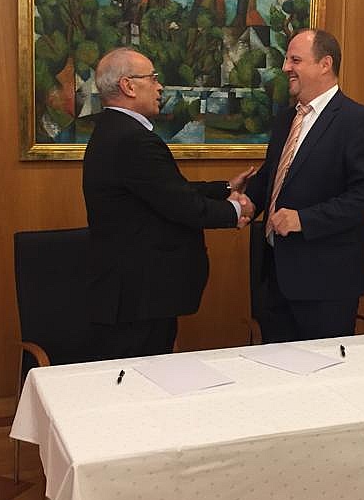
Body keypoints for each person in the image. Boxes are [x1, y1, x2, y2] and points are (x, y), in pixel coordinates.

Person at [83, 46, 255, 358]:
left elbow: (164, 189)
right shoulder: (132, 139)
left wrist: (225, 188)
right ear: (128, 86)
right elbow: (180, 204)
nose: (160, 86)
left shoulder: (114, 130)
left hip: (134, 291)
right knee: (142, 375)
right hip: (138, 294)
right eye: (152, 78)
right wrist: (236, 210)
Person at [244, 29, 364, 342]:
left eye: (295, 60)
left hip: (327, 283)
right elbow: (275, 174)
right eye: (286, 59)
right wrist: (248, 201)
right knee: (275, 366)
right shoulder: (286, 119)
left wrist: (304, 220)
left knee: (322, 371)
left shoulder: (357, 120)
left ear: (325, 64)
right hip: (276, 277)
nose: (285, 67)